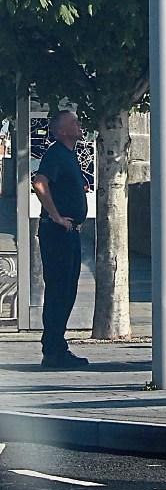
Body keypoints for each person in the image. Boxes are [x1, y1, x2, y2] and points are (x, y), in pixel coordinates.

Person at [32, 110, 89, 368]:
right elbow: (40, 182)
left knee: (67, 290)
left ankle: (57, 346)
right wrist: (55, 216)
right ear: (63, 130)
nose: (79, 125)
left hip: (69, 233)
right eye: (74, 122)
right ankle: (54, 351)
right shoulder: (56, 153)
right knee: (59, 291)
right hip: (58, 233)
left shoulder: (68, 156)